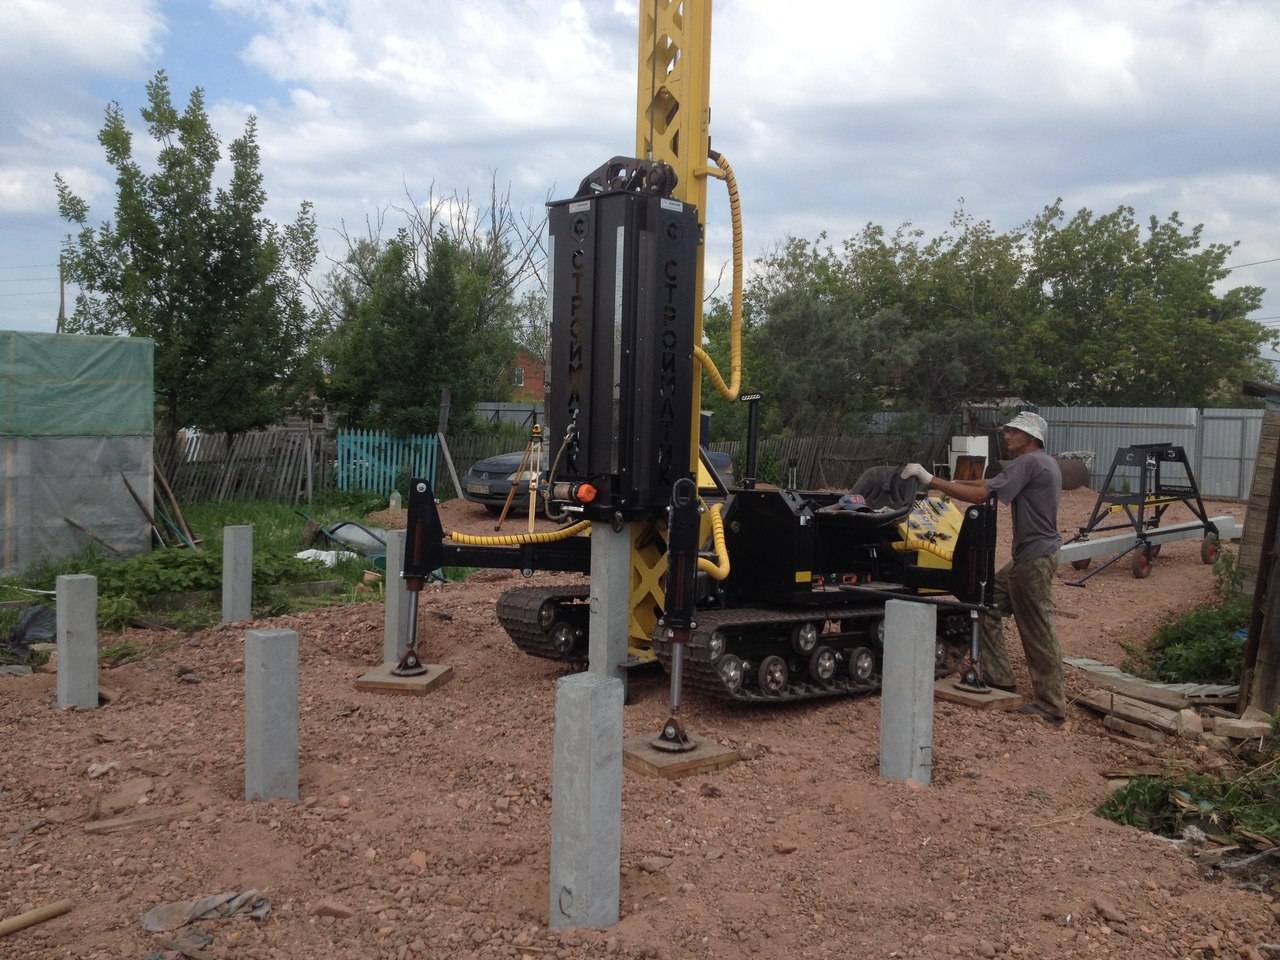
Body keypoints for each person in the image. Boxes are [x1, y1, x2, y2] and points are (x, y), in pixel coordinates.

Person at [900, 412, 1066, 726]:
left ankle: (1051, 705)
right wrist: (949, 484)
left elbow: (980, 495)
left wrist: (929, 479)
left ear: (1030, 437)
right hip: (1030, 557)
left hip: (1033, 560)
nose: (1006, 435)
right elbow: (987, 484)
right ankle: (1000, 677)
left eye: (1013, 431)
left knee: (1037, 628)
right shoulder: (1042, 462)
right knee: (986, 602)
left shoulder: (1029, 463)